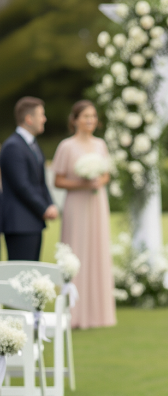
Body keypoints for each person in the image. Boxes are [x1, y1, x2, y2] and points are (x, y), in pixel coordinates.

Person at [52, 100, 116, 329]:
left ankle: (99, 313)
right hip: (76, 205)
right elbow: (58, 180)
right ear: (75, 120)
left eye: (93, 116)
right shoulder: (66, 146)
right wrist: (83, 183)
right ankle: (74, 313)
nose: (90, 120)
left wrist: (99, 181)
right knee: (76, 250)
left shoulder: (100, 144)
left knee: (98, 250)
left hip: (97, 203)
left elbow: (106, 174)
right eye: (86, 116)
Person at [0, 97, 58, 260]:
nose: (44, 119)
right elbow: (22, 185)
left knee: (33, 271)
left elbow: (40, 181)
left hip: (33, 221)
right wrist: (44, 208)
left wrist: (50, 203)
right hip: (19, 223)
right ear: (28, 119)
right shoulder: (13, 146)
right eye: (41, 115)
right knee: (21, 272)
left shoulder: (32, 144)